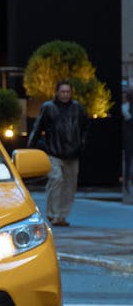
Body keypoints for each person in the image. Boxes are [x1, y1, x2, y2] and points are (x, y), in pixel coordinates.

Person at [27, 79, 90, 227]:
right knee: (56, 180)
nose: (65, 94)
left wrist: (81, 143)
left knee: (70, 185)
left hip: (72, 153)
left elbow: (86, 125)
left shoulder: (78, 108)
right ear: (57, 92)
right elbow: (37, 128)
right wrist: (30, 148)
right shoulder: (48, 108)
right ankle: (53, 214)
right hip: (53, 152)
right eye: (63, 91)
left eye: (68, 92)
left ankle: (61, 215)